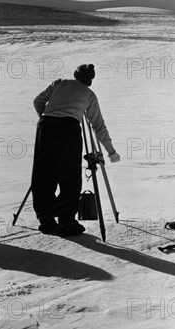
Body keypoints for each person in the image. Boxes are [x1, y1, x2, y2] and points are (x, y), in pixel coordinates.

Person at [31, 64, 120, 236]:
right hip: (68, 130)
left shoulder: (60, 83)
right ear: (90, 80)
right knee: (69, 178)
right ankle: (66, 221)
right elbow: (98, 126)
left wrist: (47, 119)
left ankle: (46, 220)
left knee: (43, 174)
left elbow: (38, 101)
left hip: (45, 127)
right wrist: (111, 152)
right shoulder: (89, 95)